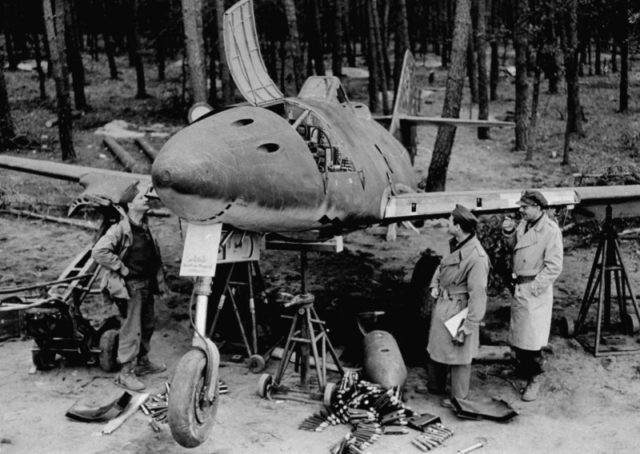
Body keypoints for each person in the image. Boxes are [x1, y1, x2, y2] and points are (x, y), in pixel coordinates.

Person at [92, 182, 167, 391]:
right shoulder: (119, 229)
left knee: (148, 325)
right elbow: (99, 252)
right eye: (141, 197)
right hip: (131, 287)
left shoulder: (144, 227)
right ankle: (125, 373)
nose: (146, 199)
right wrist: (121, 268)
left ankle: (142, 362)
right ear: (130, 205)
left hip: (146, 285)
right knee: (131, 329)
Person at [502, 190, 563, 401]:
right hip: (520, 286)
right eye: (520, 206)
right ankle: (522, 370)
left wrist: (535, 288)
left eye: (525, 207)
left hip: (534, 290)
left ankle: (535, 378)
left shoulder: (550, 230)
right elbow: (514, 250)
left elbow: (554, 266)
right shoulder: (523, 225)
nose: (521, 210)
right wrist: (509, 233)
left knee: (532, 340)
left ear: (538, 207)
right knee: (520, 335)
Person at [427, 204, 490, 407]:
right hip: (445, 303)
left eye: (451, 221)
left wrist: (469, 325)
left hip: (459, 309)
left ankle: (458, 399)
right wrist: (434, 284)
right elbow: (442, 266)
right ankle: (435, 387)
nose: (448, 223)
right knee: (438, 348)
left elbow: (479, 295)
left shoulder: (477, 257)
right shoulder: (456, 244)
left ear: (459, 226)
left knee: (460, 355)